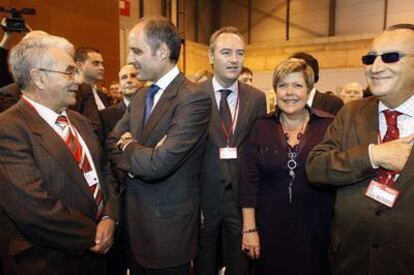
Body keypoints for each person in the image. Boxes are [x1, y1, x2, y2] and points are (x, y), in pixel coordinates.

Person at [0, 35, 118, 274]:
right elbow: (32, 208)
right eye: (69, 72)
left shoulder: (80, 121)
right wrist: (93, 235)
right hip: (47, 260)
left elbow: (105, 172)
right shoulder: (8, 127)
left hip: (97, 258)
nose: (77, 79)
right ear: (39, 78)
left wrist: (109, 218)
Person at [106, 16, 211, 275]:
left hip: (167, 236)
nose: (130, 58)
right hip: (133, 229)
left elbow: (159, 164)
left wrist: (129, 145)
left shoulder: (193, 98)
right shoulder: (142, 95)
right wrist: (141, 152)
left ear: (162, 51)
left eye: (137, 50)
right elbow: (110, 142)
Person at [306, 24, 414, 274]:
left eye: (390, 57)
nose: (375, 67)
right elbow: (316, 168)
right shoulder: (351, 113)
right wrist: (372, 156)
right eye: (370, 58)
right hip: (350, 258)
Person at [239, 58, 334, 275]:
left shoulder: (329, 126)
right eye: (283, 85)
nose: (289, 92)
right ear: (275, 91)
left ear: (309, 90)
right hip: (269, 231)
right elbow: (248, 183)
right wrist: (249, 228)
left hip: (317, 231)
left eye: (297, 85)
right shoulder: (260, 127)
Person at [195, 26, 266, 275]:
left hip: (241, 200)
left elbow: (257, 151)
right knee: (203, 263)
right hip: (204, 199)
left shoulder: (257, 99)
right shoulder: (194, 95)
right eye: (226, 52)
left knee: (240, 265)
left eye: (240, 53)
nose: (234, 59)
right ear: (211, 56)